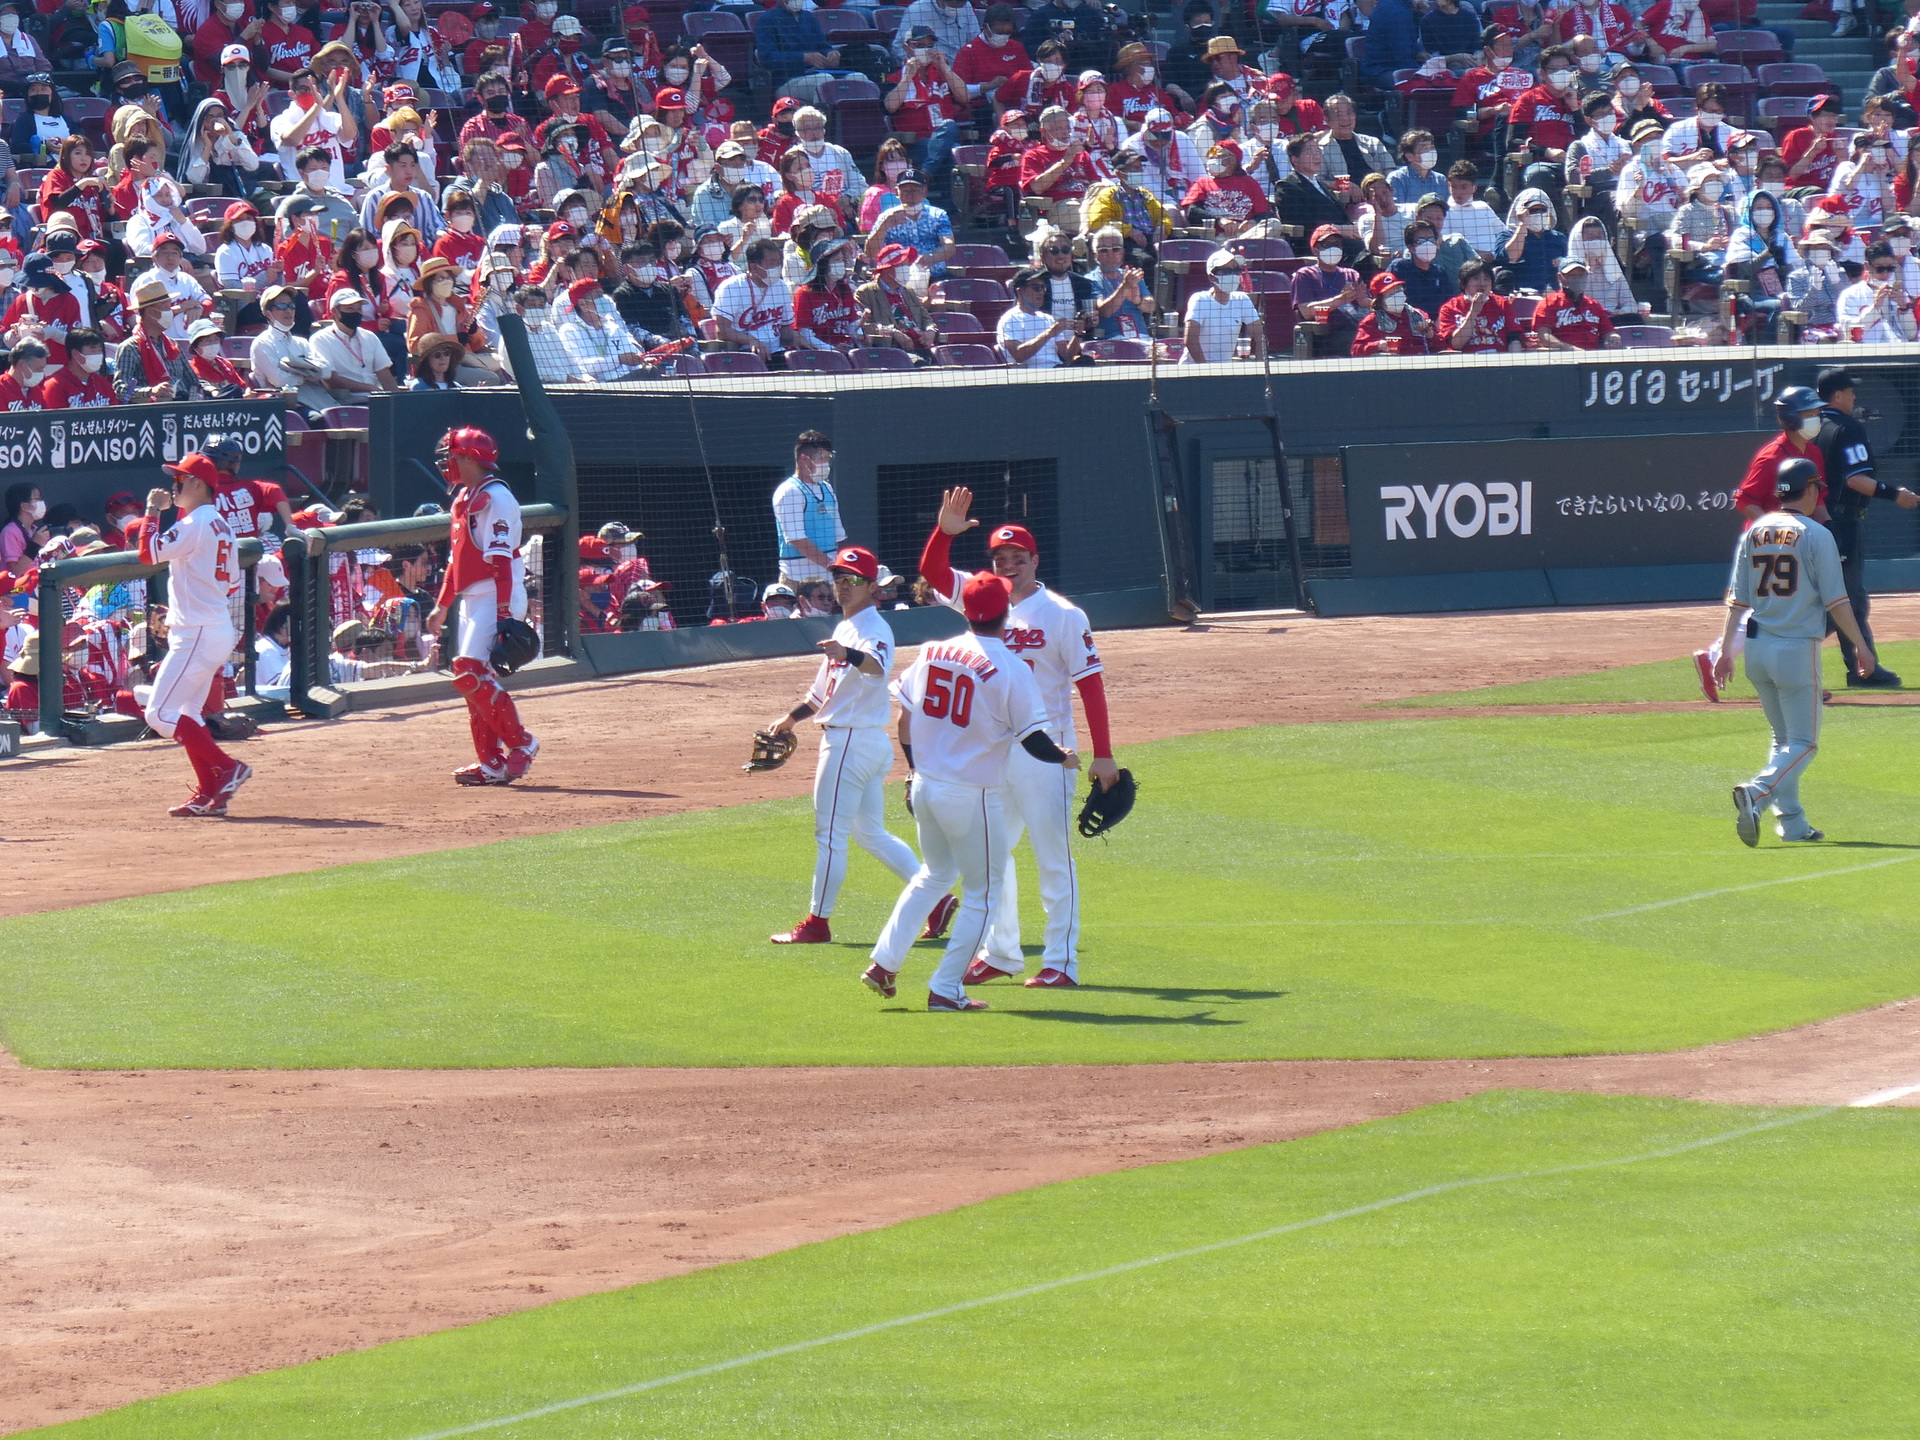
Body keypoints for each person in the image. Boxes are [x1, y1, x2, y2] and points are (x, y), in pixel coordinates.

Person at [915, 488, 1115, 988]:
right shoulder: (982, 595)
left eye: (1017, 558)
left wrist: (1104, 754)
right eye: (1001, 558)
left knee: (1052, 856)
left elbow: (1090, 684)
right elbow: (934, 574)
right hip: (994, 751)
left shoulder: (1064, 615)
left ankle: (1061, 961)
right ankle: (1002, 952)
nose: (1008, 565)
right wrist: (944, 531)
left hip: (1046, 750)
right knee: (989, 854)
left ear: (1034, 560)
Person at [860, 570, 1078, 1011]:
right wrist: (1065, 756)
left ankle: (884, 963)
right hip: (970, 796)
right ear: (1007, 612)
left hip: (925, 785)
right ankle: (946, 988)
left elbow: (904, 718)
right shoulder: (1012, 669)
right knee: (984, 892)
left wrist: (913, 769)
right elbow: (1034, 741)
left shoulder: (933, 650)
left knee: (933, 875)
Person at [766, 543, 939, 947]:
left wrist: (849, 653)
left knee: (829, 836)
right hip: (862, 743)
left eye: (853, 581)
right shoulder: (845, 627)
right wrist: (791, 718)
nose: (843, 587)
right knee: (870, 834)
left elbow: (877, 669)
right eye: (839, 579)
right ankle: (937, 901)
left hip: (849, 745)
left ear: (872, 588)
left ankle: (816, 924)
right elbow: (822, 692)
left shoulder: (873, 630)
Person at [1715, 459, 1874, 847]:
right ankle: (1757, 791)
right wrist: (1861, 647)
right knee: (1805, 743)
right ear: (1809, 490)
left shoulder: (1755, 531)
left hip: (1756, 648)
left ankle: (1793, 823)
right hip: (1796, 650)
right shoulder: (1816, 534)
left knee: (1782, 738)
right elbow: (1838, 602)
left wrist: (1724, 652)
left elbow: (1737, 601)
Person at [128, 452, 250, 817]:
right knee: (188, 714)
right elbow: (229, 585)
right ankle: (209, 792)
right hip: (212, 626)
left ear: (198, 484)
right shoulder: (220, 524)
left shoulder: (195, 521)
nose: (174, 485)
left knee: (158, 715)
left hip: (197, 632)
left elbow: (147, 553)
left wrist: (152, 510)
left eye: (180, 479)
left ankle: (227, 767)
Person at [1694, 385, 1827, 698]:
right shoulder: (1772, 457)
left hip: (1797, 545)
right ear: (1793, 417)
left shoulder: (1814, 453)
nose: (1817, 417)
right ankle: (1799, 681)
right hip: (1768, 547)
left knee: (1775, 611)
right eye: (1810, 412)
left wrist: (1829, 531)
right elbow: (1744, 499)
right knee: (1780, 610)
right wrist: (1774, 527)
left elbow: (1818, 500)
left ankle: (1713, 657)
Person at [423, 426, 537, 786]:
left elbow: (501, 561)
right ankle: (491, 765)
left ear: (470, 459)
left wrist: (504, 611)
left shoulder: (497, 498)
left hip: (496, 593)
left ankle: (522, 743)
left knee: (468, 671)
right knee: (472, 682)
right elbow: (458, 560)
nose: (448, 464)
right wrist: (442, 606)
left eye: (453, 457)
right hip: (474, 597)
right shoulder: (465, 497)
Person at [1812, 368, 1917, 689]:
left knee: (1832, 599)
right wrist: (1894, 493)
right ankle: (1864, 668)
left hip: (1815, 519)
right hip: (1842, 521)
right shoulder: (1847, 428)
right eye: (1851, 391)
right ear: (1838, 395)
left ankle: (1859, 665)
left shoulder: (1813, 428)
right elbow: (1854, 478)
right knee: (1847, 599)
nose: (1855, 396)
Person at [773, 431, 845, 590]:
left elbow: (836, 536)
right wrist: (832, 566)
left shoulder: (827, 488)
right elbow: (797, 539)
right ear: (805, 459)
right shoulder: (789, 491)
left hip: (829, 582)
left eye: (828, 459)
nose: (826, 464)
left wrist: (839, 569)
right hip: (798, 581)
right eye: (821, 458)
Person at [1182, 249, 1263, 362]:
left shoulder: (1242, 299)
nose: (1233, 275)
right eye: (1226, 271)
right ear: (1211, 277)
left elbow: (1261, 338)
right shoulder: (1200, 300)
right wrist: (1207, 373)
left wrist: (1261, 372)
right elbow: (1190, 340)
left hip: (1224, 372)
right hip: (1192, 372)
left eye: (1235, 270)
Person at [1527, 255, 1621, 349]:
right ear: (1560, 277)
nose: (1578, 278)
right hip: (1563, 358)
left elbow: (1609, 331)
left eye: (1581, 275)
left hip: (1593, 358)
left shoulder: (1594, 305)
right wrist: (1568, 348)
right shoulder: (1548, 303)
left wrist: (1614, 337)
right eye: (1572, 275)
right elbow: (1543, 337)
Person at [998, 265, 1083, 367]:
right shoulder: (1010, 319)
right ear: (1019, 291)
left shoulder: (1048, 318)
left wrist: (1078, 335)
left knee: (1087, 361)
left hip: (1057, 371)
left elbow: (1067, 357)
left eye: (1043, 288)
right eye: (1036, 288)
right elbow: (1018, 356)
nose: (1042, 292)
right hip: (1031, 376)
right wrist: (1050, 333)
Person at [1436, 257, 1526, 351]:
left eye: (1486, 279)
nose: (1482, 283)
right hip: (1467, 362)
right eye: (1476, 278)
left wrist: (1513, 362)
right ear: (1463, 284)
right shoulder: (1449, 308)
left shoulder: (1502, 303)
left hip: (1499, 360)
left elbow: (1514, 339)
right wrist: (1473, 312)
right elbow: (1456, 345)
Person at [1836, 241, 1917, 344]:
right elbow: (1847, 329)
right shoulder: (1851, 294)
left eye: (1890, 268)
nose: (1886, 273)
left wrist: (1904, 309)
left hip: (1900, 351)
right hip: (1867, 353)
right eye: (1880, 269)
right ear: (1867, 266)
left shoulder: (1898, 294)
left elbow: (1911, 335)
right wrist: (1875, 308)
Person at [1352, 271, 1435, 354]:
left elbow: (1441, 345)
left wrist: (1431, 336)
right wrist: (1378, 345)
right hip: (1391, 365)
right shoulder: (1371, 321)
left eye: (1398, 291)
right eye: (1391, 294)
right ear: (1380, 300)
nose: (1396, 296)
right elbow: (1356, 350)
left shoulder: (1419, 314)